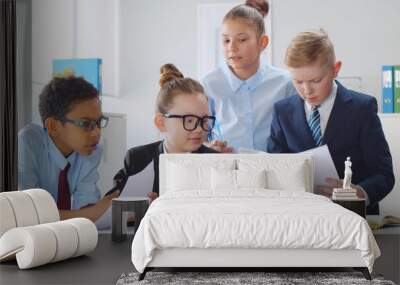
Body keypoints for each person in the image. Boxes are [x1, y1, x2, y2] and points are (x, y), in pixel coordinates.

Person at [267, 29, 394, 214]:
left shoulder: (362, 108)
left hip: (353, 215)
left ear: (335, 69)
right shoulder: (282, 112)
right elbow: (274, 171)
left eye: (315, 80)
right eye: (298, 81)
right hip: (300, 215)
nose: (307, 90)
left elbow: (384, 175)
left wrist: (359, 192)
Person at [112, 64, 218, 202]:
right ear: (161, 123)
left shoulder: (216, 162)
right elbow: (111, 213)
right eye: (190, 120)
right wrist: (140, 212)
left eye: (204, 120)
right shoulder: (137, 160)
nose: (199, 129)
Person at [18, 76, 119, 222]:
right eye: (86, 124)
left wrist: (93, 212)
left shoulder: (91, 151)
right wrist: (95, 211)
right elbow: (28, 216)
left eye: (98, 122)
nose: (97, 132)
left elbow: (84, 213)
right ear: (53, 126)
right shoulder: (27, 143)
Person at [202, 0, 296, 153]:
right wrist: (208, 149)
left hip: (274, 172)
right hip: (225, 172)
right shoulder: (208, 85)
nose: (232, 47)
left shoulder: (285, 83)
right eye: (226, 40)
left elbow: (297, 136)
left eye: (242, 39)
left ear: (262, 43)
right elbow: (199, 140)